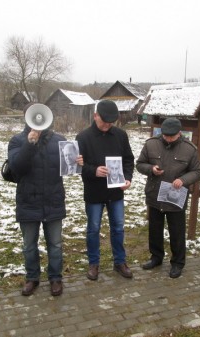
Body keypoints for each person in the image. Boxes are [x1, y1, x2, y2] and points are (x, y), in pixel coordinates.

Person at [8, 104, 79, 297]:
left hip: (53, 199)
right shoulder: (17, 141)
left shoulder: (59, 140)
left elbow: (67, 168)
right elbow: (16, 169)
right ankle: (32, 278)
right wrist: (29, 145)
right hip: (28, 200)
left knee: (55, 245)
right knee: (29, 245)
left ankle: (55, 278)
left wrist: (76, 163)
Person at [76, 100, 135, 281]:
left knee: (118, 227)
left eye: (111, 122)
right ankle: (94, 263)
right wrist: (94, 170)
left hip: (115, 192)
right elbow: (77, 167)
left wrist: (127, 177)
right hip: (94, 192)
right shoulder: (83, 137)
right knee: (93, 229)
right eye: (104, 121)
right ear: (95, 116)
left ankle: (120, 262)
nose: (108, 125)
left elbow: (128, 159)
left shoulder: (120, 135)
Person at [136, 118, 200, 278]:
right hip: (154, 194)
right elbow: (139, 164)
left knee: (177, 231)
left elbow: (197, 171)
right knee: (155, 229)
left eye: (171, 136)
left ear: (179, 133)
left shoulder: (189, 149)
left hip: (176, 197)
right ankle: (156, 257)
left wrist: (183, 180)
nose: (168, 139)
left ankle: (178, 263)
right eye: (165, 136)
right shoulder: (151, 143)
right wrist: (151, 169)